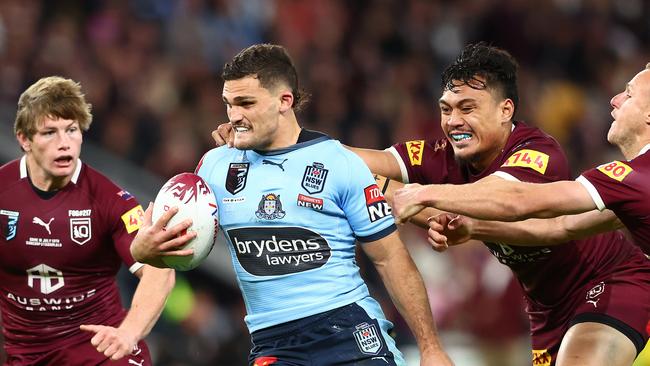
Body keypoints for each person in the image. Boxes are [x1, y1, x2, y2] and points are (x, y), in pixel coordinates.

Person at [217, 43, 650, 365]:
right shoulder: (442, 156)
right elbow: (357, 162)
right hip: (545, 308)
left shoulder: (536, 149)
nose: (454, 121)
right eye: (446, 109)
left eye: (468, 107)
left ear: (505, 109)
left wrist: (423, 194)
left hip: (610, 281)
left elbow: (511, 199)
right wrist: (262, 136)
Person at [130, 43, 452, 366]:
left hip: (348, 330)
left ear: (285, 101)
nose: (234, 116)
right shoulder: (214, 167)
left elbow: (391, 259)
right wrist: (144, 253)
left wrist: (431, 348)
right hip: (274, 345)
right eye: (228, 104)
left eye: (246, 103)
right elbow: (174, 255)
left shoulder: (339, 162)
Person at [393, 62, 650, 366]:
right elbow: (562, 227)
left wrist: (425, 192)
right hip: (552, 313)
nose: (615, 99)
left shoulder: (633, 177)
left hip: (613, 287)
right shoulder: (631, 181)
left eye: (629, 95)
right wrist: (475, 229)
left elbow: (519, 198)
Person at [0, 76, 177, 365]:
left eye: (72, 130)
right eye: (49, 133)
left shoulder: (110, 200)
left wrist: (128, 334)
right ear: (24, 139)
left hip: (104, 351)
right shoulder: (3, 192)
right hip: (27, 357)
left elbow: (160, 272)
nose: (64, 144)